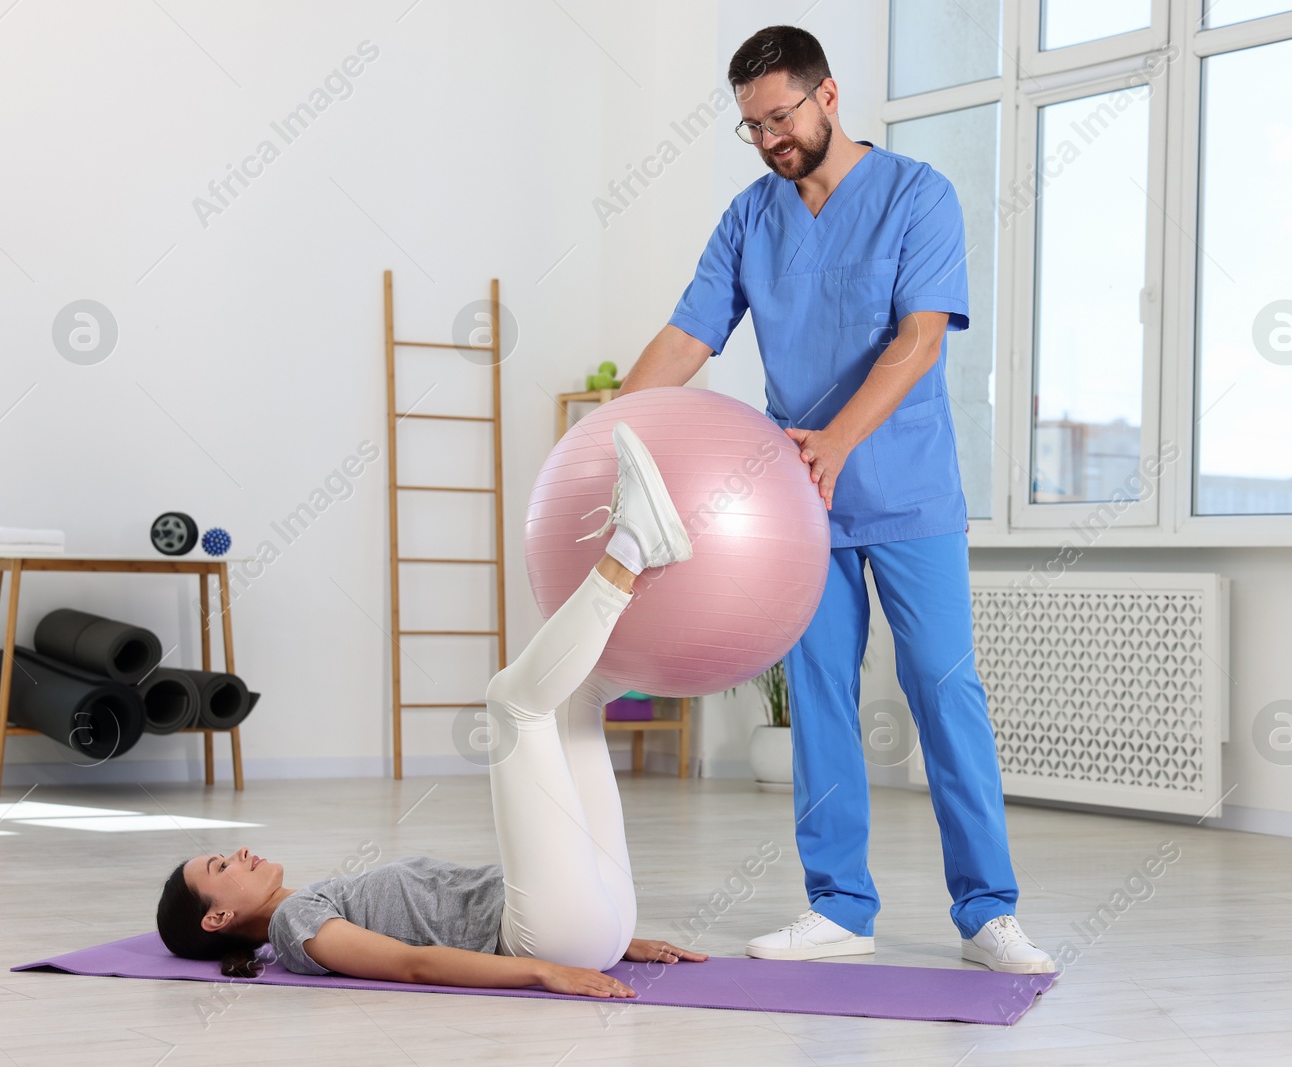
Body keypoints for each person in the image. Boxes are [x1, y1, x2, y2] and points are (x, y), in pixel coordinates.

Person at [618, 25, 1055, 974]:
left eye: (781, 116)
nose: (771, 139)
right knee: (818, 697)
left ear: (829, 97)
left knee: (945, 690)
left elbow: (921, 339)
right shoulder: (748, 217)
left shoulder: (917, 195)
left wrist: (840, 439)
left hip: (909, 496)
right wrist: (609, 429)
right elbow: (689, 337)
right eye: (753, 126)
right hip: (799, 509)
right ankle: (839, 906)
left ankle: (988, 913)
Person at [157, 422, 709, 997]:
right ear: (216, 919)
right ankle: (633, 548)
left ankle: (664, 599)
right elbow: (409, 967)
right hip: (551, 938)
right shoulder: (296, 928)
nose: (238, 853)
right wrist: (547, 969)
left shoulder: (312, 901)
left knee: (576, 700)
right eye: (221, 868)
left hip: (590, 919)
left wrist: (615, 942)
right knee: (510, 704)